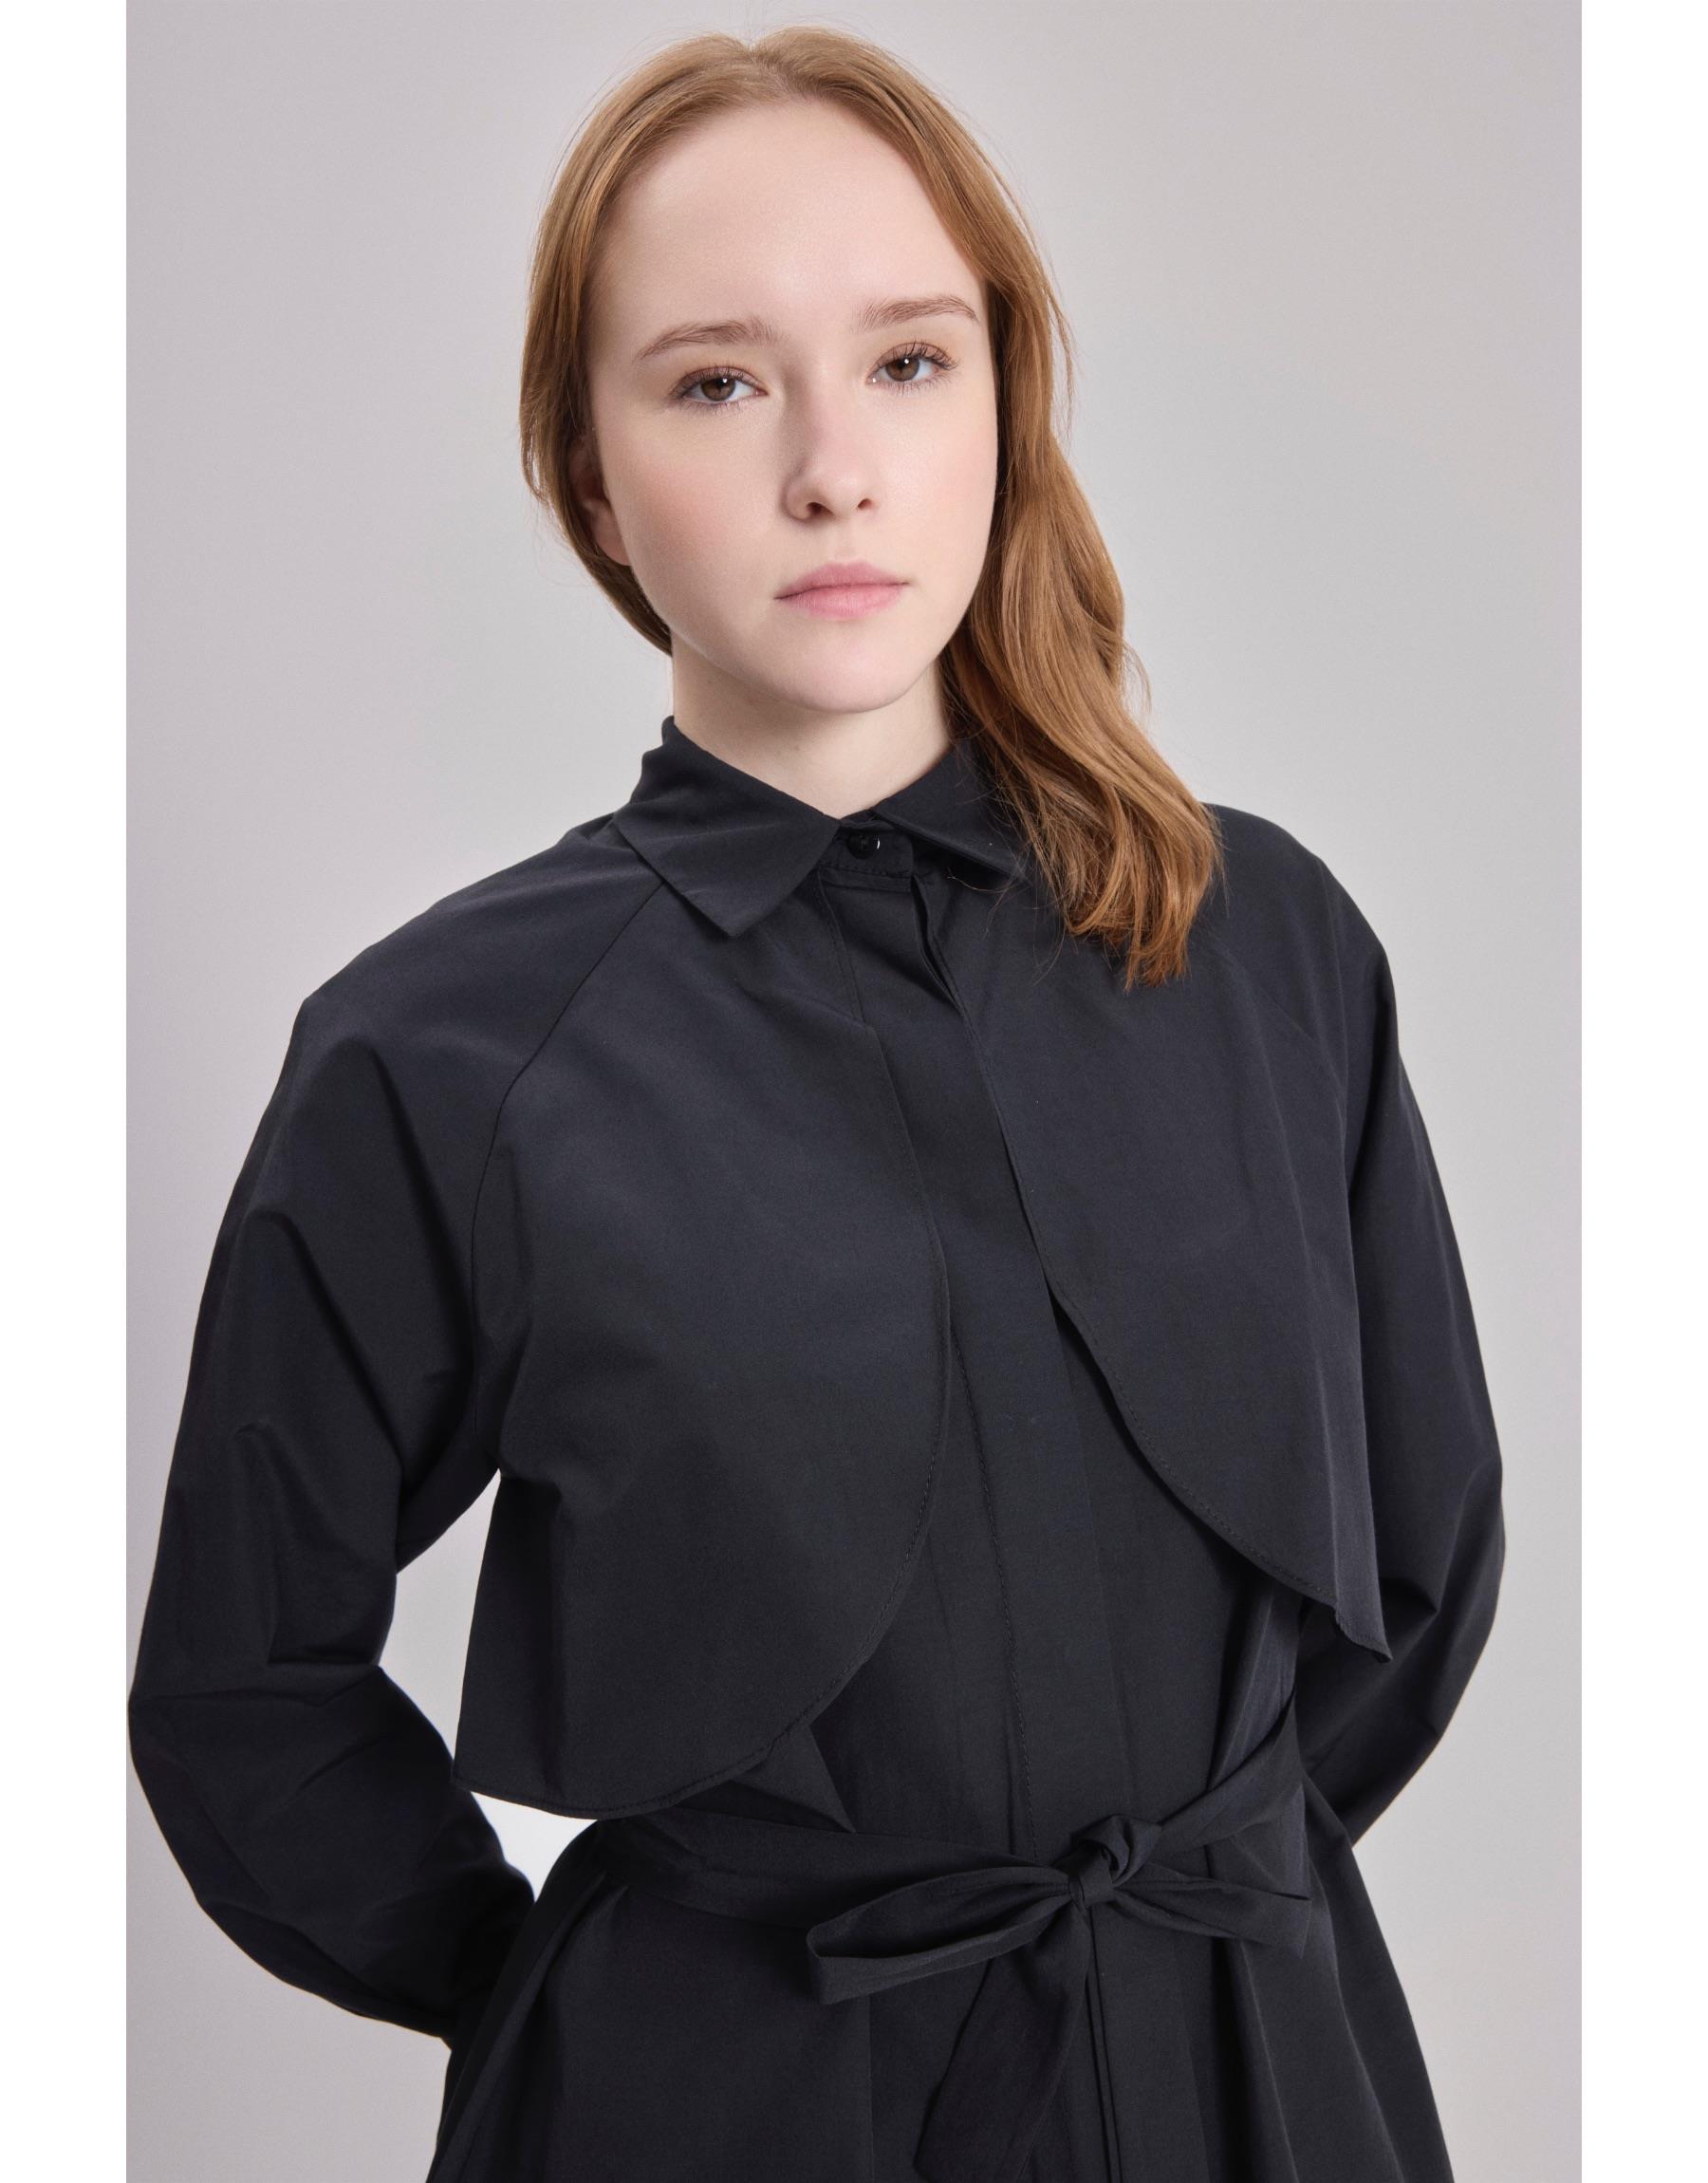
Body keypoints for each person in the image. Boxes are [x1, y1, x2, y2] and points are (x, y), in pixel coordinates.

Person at [128, 25, 1507, 2183]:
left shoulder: (1267, 949)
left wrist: (1199, 1940)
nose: (834, 472)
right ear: (590, 479)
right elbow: (241, 1685)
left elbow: (1422, 1560)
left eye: (908, 362)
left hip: (1262, 2086)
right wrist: (577, 2006)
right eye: (714, 383)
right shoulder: (437, 1051)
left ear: (1004, 405)